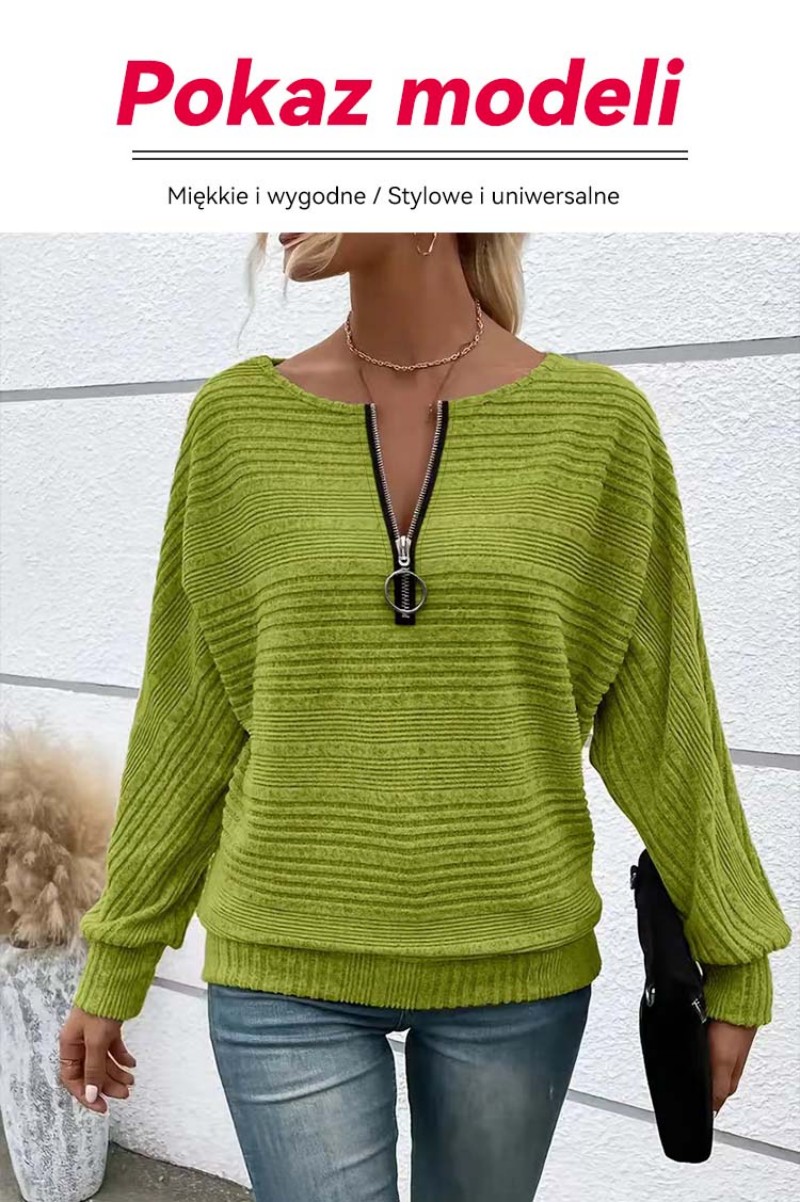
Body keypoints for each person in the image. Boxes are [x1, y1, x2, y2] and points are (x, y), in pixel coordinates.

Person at [59, 233, 792, 1202]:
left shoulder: (597, 427)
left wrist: (732, 948)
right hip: (281, 967)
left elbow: (663, 716)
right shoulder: (233, 425)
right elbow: (186, 718)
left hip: (514, 969)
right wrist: (117, 954)